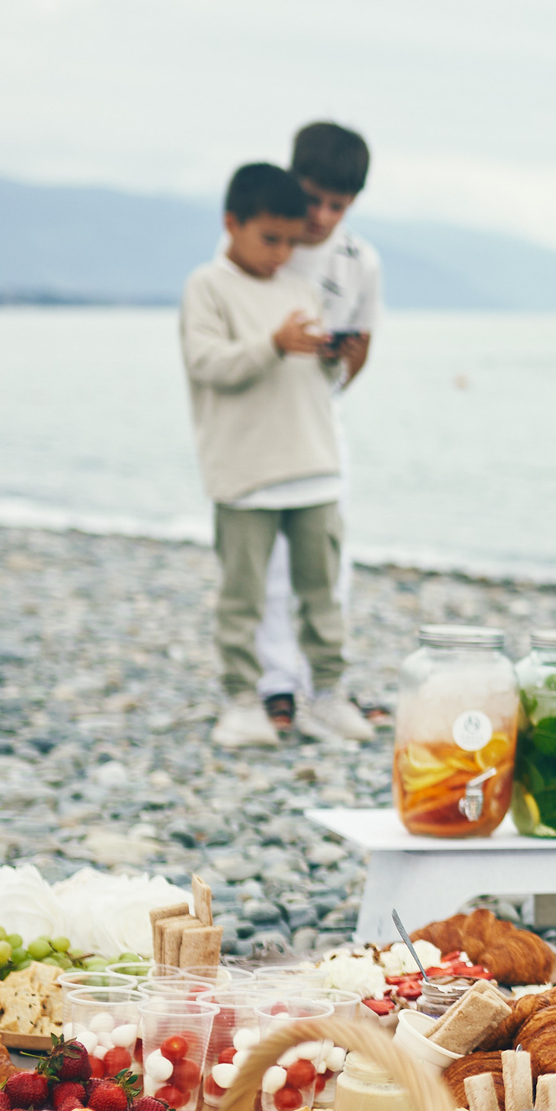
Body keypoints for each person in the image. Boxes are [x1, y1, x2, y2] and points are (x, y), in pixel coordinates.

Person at [179, 163, 362, 750]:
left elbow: (311, 380)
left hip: (313, 466)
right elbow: (209, 365)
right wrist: (273, 345)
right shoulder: (206, 286)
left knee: (321, 592)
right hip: (247, 475)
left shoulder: (299, 289)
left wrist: (333, 355)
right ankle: (240, 701)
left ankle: (327, 696)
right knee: (245, 596)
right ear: (232, 223)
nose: (282, 253)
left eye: (290, 241)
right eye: (270, 239)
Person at [254, 121, 383, 740]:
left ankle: (320, 679)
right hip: (260, 419)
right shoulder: (265, 242)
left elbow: (363, 348)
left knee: (327, 556)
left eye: (338, 205)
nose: (322, 216)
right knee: (267, 557)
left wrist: (339, 356)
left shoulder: (360, 262)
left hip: (322, 419)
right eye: (314, 200)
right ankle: (274, 682)